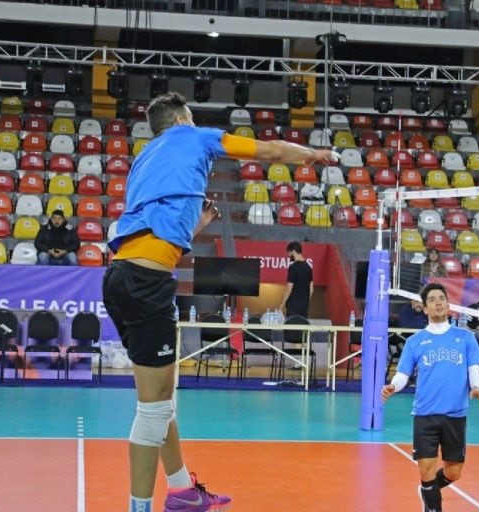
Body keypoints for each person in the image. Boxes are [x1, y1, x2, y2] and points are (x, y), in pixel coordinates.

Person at [102, 91, 337, 512]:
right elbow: (267, 150)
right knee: (152, 410)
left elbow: (155, 233)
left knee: (162, 399)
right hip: (146, 281)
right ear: (181, 119)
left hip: (121, 275)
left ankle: (182, 491)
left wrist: (199, 224)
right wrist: (311, 155)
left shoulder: (144, 160)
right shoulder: (194, 137)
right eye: (190, 116)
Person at [382, 282, 479, 512]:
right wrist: (393, 386)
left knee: (453, 472)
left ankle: (427, 490)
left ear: (448, 304)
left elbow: (473, 369)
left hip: (455, 415)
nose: (438, 302)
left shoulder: (464, 337)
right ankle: (432, 505)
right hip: (425, 415)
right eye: (432, 299)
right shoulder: (415, 342)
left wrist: (476, 387)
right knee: (426, 470)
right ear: (425, 308)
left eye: (442, 298)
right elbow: (403, 374)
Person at [279, 241, 313, 318]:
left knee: (291, 329)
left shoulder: (293, 268)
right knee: (302, 328)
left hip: (293, 307)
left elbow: (289, 288)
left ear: (294, 251)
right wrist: (305, 301)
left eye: (289, 253)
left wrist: (282, 305)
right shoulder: (308, 267)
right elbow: (311, 289)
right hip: (304, 307)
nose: (288, 255)